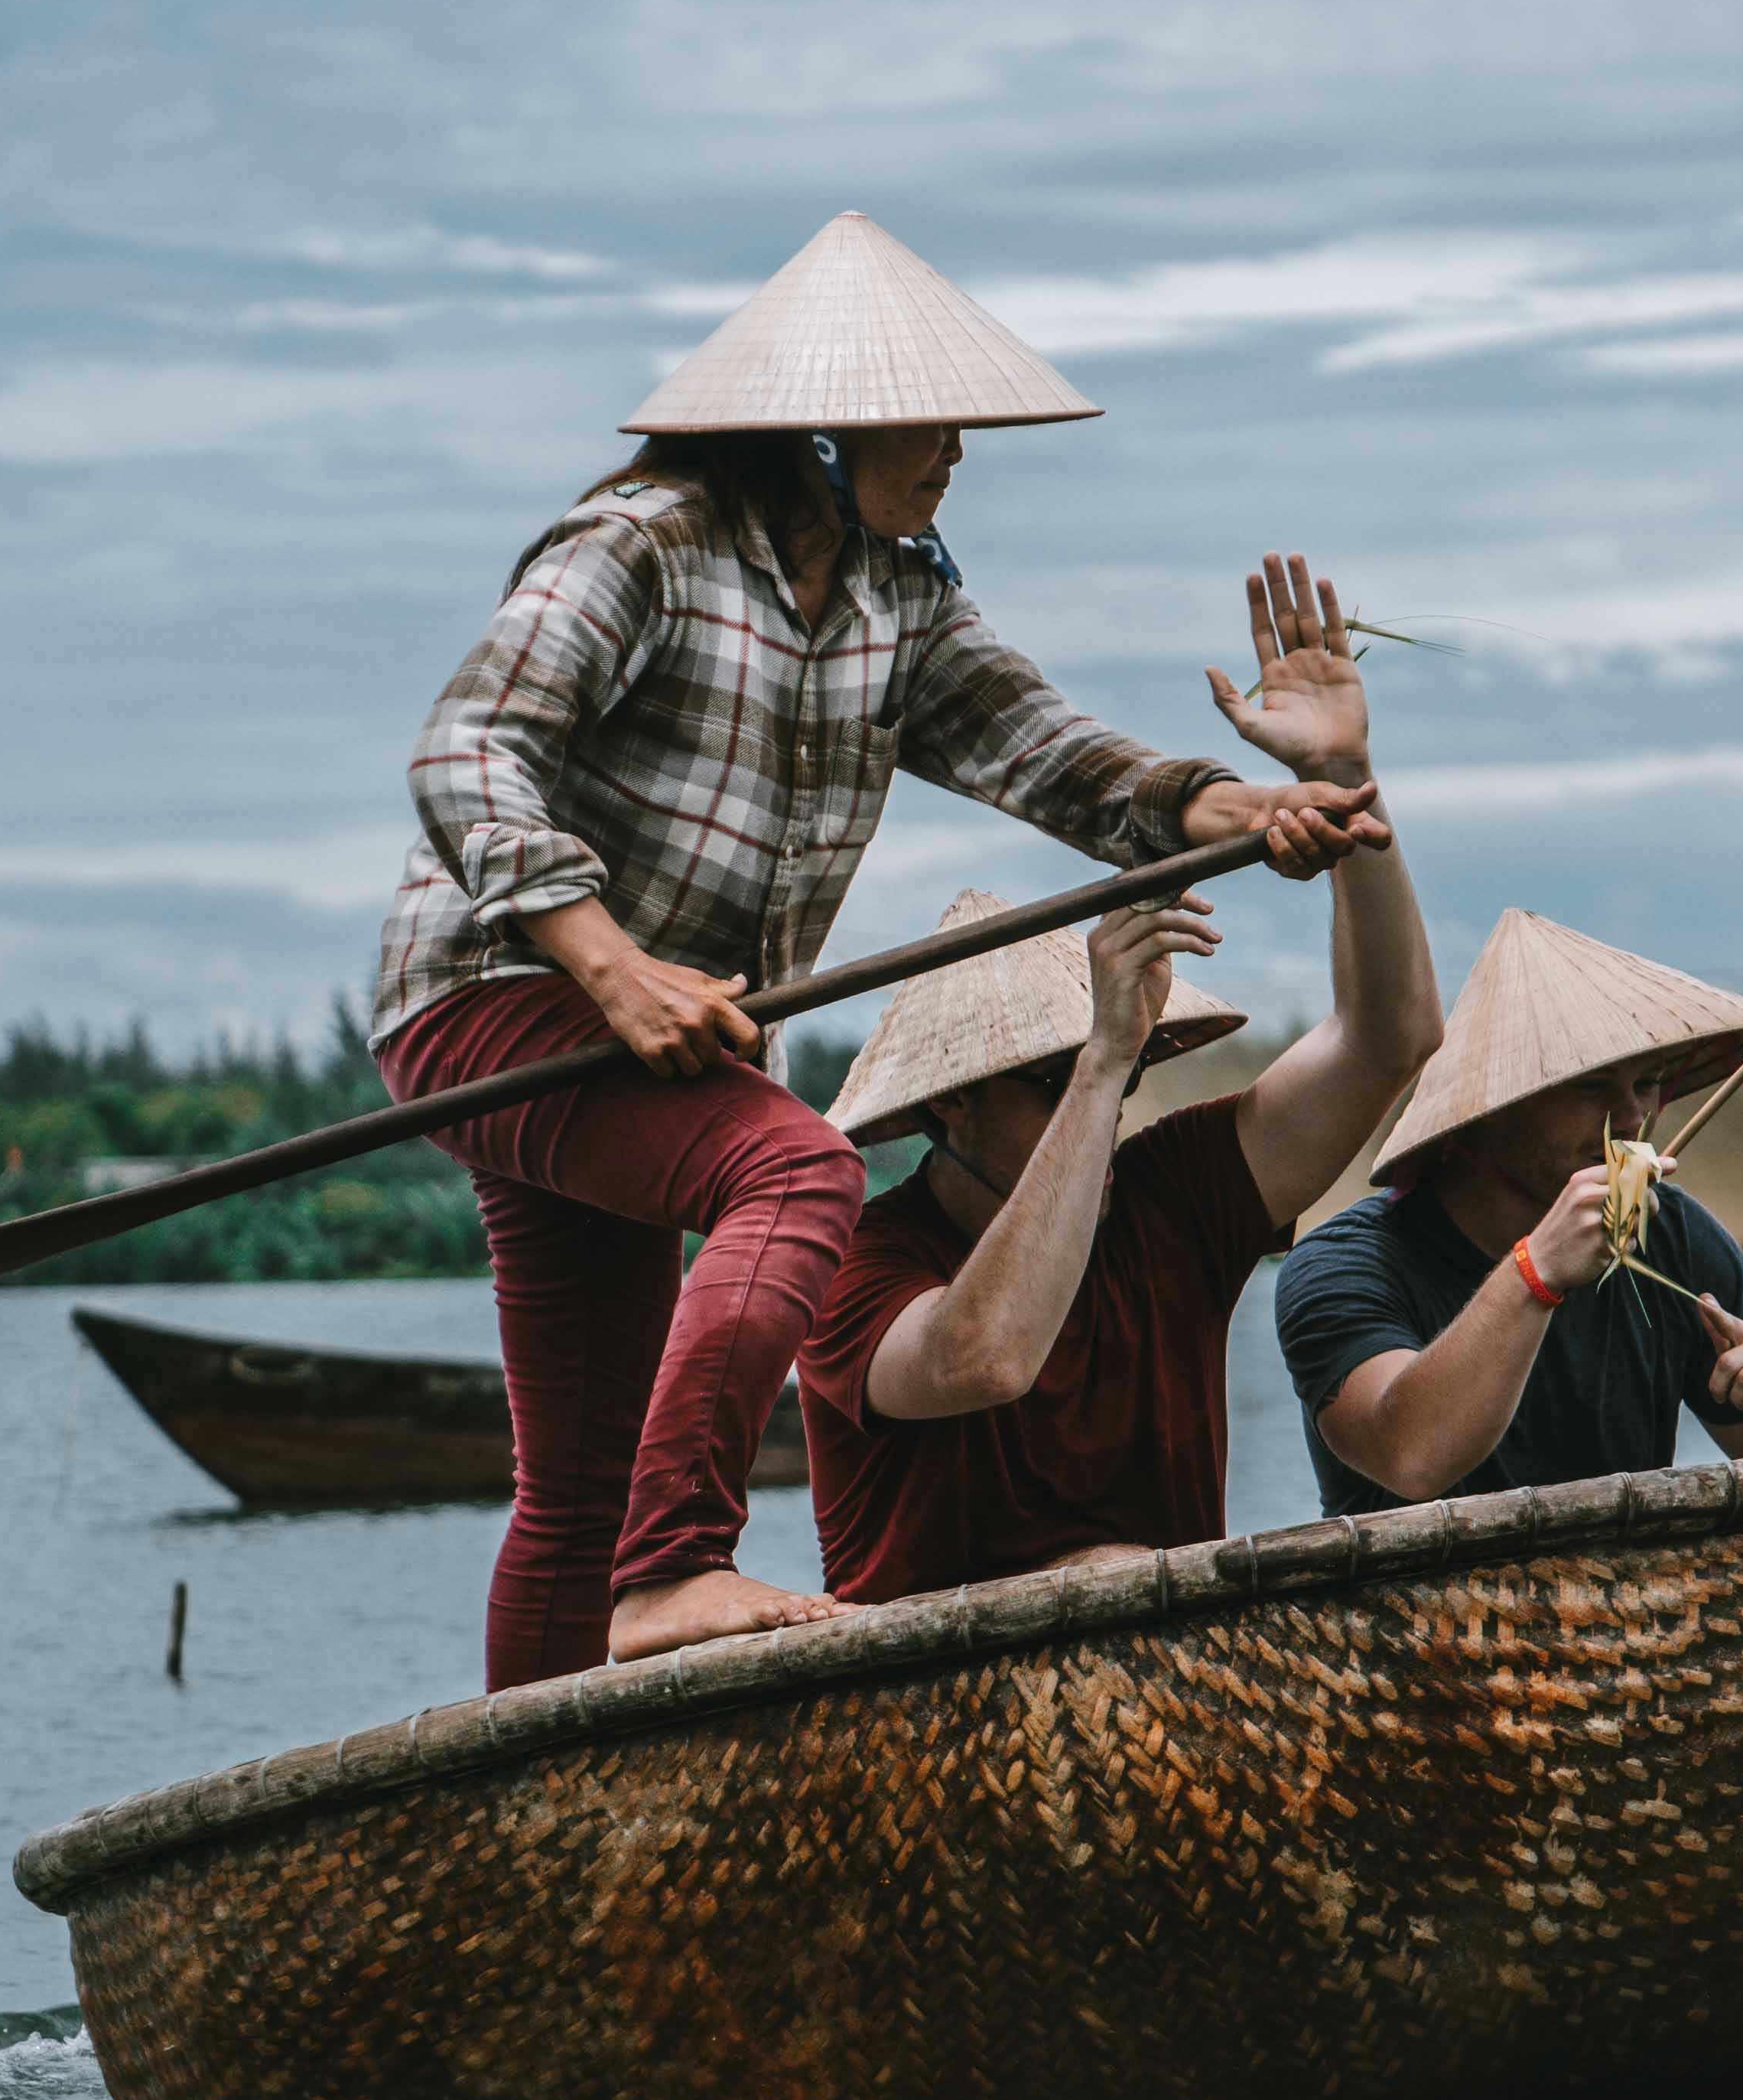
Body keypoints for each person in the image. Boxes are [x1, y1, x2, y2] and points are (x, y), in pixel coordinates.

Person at [372, 211, 1380, 1687]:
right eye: (929, 419)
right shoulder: (642, 547)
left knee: (581, 1475)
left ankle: (529, 1789)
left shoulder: (900, 603)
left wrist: (1234, 804)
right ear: (820, 434)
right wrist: (611, 965)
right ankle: (673, 1573)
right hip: (501, 1001)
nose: (959, 448)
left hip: (664, 1048)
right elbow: (466, 750)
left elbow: (1048, 753)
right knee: (798, 1168)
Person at [795, 564, 1442, 1604]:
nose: (1103, 1106)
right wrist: (1100, 1059)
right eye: (1048, 1083)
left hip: (1164, 1684)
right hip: (933, 1711)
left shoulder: (1171, 1196)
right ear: (949, 1107)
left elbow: (1388, 1039)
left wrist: (1346, 782)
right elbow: (984, 1356)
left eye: (1125, 1068)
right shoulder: (853, 1267)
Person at [1274, 904, 1743, 1510]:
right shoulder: (1344, 1265)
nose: (1634, 1119)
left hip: (1620, 1599)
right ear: (1493, 1107)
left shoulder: (1672, 1236)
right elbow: (1410, 1458)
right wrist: (1538, 1271)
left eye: (1646, 1083)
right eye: (1591, 1085)